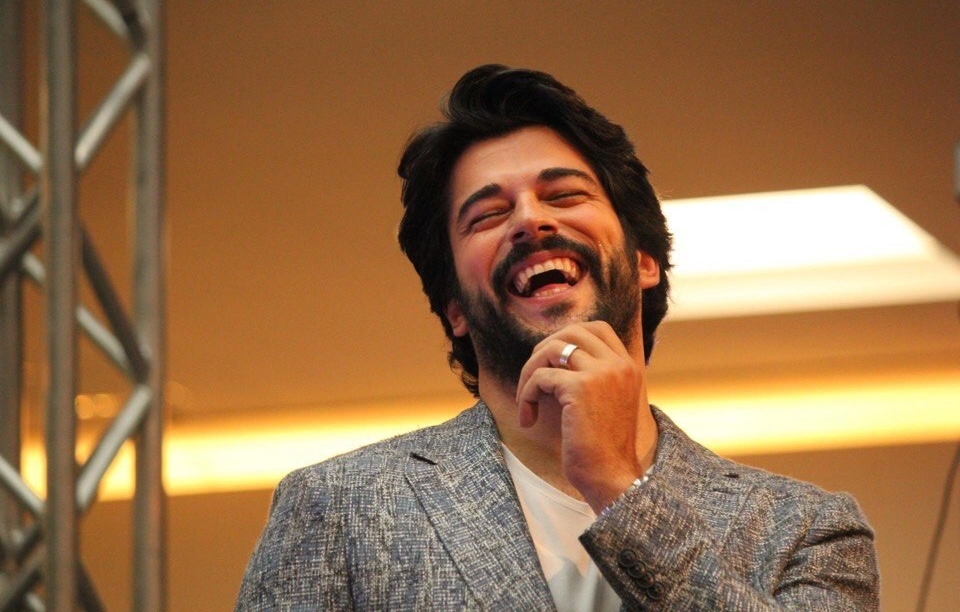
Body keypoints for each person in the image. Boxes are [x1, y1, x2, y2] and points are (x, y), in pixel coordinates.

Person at [235, 65, 879, 611]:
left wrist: (620, 488)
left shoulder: (806, 531)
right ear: (455, 309)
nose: (530, 220)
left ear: (645, 260)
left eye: (564, 195)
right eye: (488, 214)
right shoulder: (340, 510)